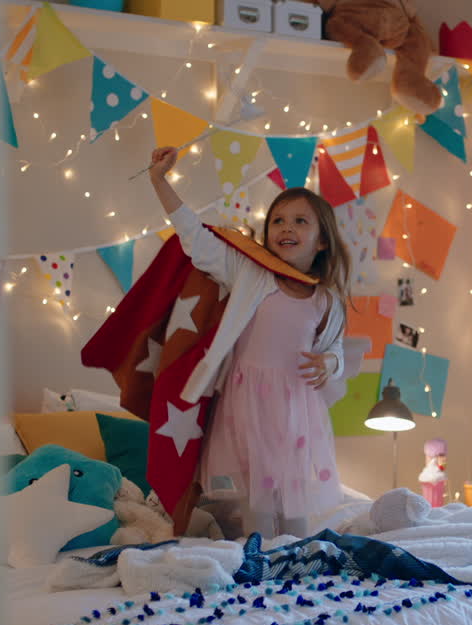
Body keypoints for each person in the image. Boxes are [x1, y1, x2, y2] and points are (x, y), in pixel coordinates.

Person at [147, 146, 351, 539]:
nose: (286, 228)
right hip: (247, 403)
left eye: (299, 221)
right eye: (278, 221)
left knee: (292, 501)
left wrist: (329, 363)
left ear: (322, 241)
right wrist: (160, 181)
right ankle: (259, 561)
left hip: (295, 410)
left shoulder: (326, 299)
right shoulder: (250, 274)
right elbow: (195, 237)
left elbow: (336, 350)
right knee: (258, 498)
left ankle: (295, 559)